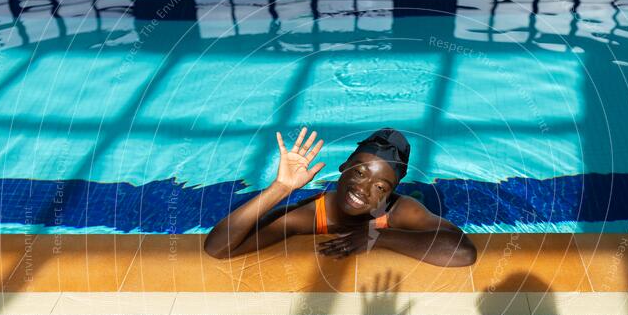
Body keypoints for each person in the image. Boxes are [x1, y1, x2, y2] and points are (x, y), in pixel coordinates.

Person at [204, 127, 477, 267]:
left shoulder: (398, 210)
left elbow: (463, 252)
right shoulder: (311, 214)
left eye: (381, 187)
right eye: (359, 173)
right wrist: (281, 188)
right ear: (343, 167)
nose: (363, 189)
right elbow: (218, 248)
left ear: (391, 192)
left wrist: (377, 238)